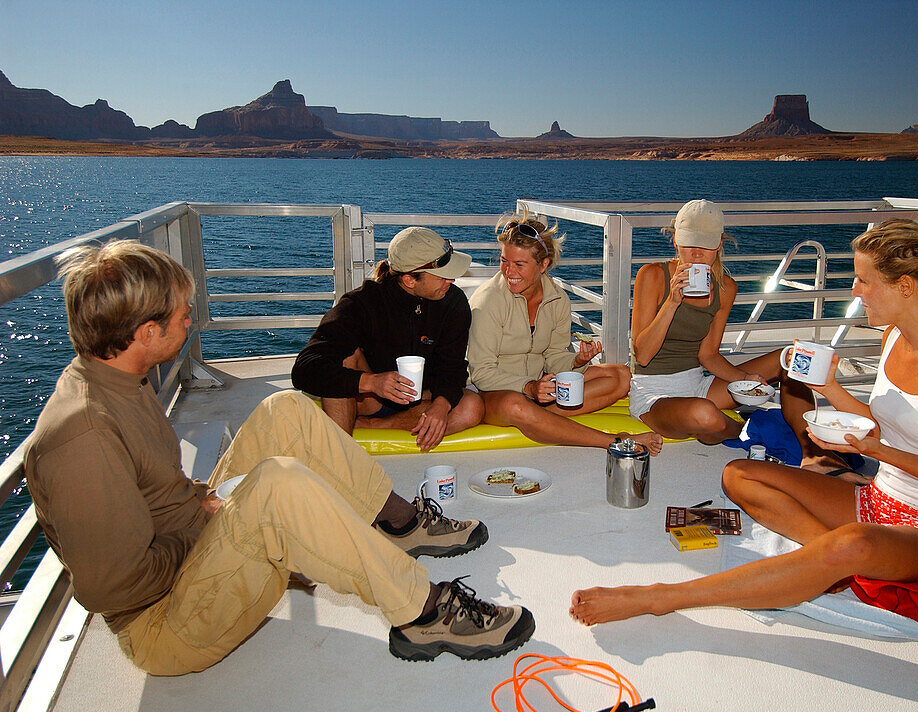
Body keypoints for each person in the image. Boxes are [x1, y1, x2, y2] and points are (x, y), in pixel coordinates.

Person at [24, 240, 533, 675]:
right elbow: (115, 589)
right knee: (276, 485)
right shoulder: (82, 437)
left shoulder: (117, 379)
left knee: (284, 410)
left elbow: (159, 501)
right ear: (145, 332)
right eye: (181, 311)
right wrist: (215, 519)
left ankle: (404, 523)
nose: (190, 318)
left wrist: (205, 506)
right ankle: (424, 613)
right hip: (165, 623)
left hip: (189, 537)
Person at [571, 219, 918, 625]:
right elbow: (881, 423)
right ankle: (824, 558)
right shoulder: (894, 338)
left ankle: (662, 598)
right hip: (876, 500)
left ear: (904, 287)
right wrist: (830, 387)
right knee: (738, 475)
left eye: (864, 281)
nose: (855, 290)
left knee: (853, 544)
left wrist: (879, 453)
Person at [629, 199, 853, 477]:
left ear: (719, 243)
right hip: (654, 393)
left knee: (791, 358)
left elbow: (707, 355)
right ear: (674, 239)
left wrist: (744, 379)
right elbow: (642, 355)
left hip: (699, 383)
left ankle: (813, 453)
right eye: (688, 243)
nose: (696, 254)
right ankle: (751, 431)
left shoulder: (725, 288)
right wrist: (672, 302)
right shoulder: (652, 275)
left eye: (705, 245)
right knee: (705, 415)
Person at [467, 209, 662, 454]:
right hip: (495, 395)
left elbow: (554, 356)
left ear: (543, 265)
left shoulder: (557, 299)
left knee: (621, 375)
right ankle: (613, 441)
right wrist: (529, 387)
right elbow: (481, 373)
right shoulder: (488, 301)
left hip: (539, 391)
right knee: (516, 406)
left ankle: (541, 420)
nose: (508, 271)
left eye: (519, 264)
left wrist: (577, 360)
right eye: (504, 261)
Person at [292, 226, 483, 451]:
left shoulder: (453, 302)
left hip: (421, 400)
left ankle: (375, 427)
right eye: (443, 275)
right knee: (344, 357)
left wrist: (441, 405)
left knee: (473, 406)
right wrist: (372, 382)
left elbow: (453, 369)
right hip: (371, 399)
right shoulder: (361, 304)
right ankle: (340, 456)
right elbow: (304, 370)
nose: (451, 279)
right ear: (409, 280)